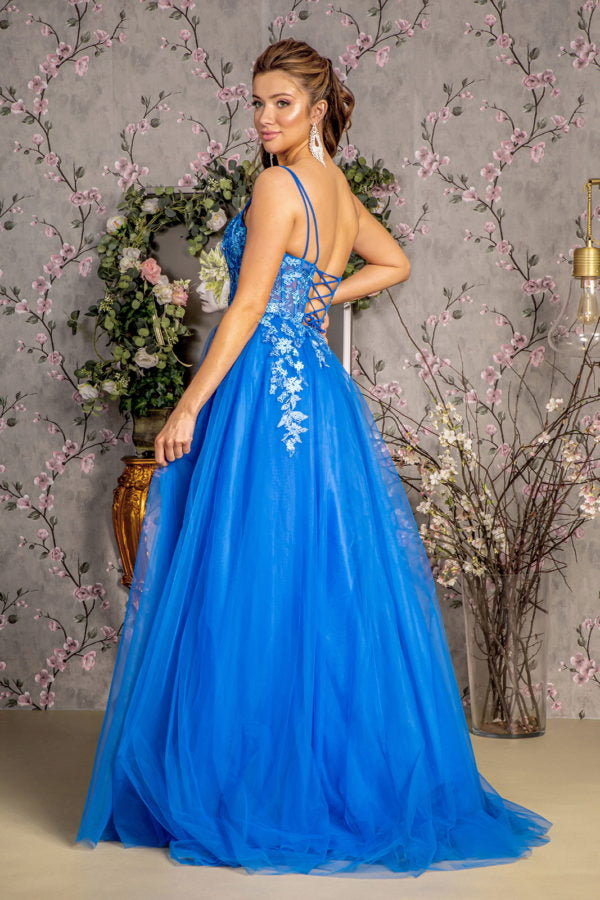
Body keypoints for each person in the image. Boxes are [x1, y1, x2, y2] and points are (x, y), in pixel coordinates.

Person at [74, 38, 552, 876]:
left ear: (319, 108)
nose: (264, 119)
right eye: (257, 103)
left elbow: (247, 306)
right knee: (314, 572)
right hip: (321, 392)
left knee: (252, 569)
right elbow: (391, 262)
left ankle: (256, 785)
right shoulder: (334, 188)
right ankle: (309, 770)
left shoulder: (276, 186)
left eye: (282, 104)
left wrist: (188, 404)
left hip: (263, 390)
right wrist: (324, 291)